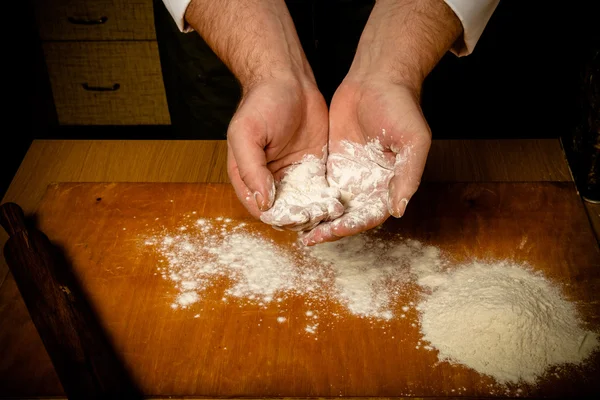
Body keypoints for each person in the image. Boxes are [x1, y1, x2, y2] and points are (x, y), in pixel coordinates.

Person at [158, 0, 498, 244]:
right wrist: (267, 73)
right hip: (231, 18)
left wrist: (393, 73)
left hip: (427, 22)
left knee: (451, 200)